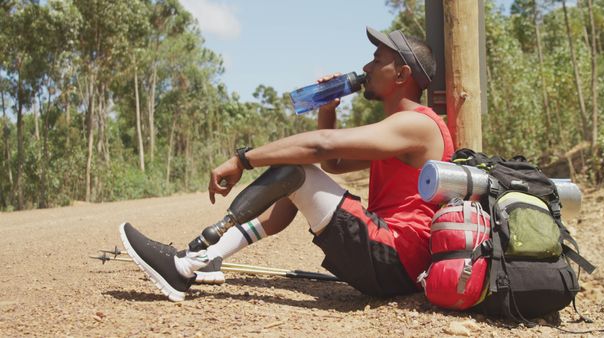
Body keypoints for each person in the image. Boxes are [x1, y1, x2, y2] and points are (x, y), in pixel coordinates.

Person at [120, 26, 454, 302]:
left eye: (376, 60)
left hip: (396, 257)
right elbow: (335, 163)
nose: (365, 68)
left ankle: (184, 264)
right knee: (295, 184)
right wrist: (328, 107)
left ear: (402, 74)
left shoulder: (417, 124)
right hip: (394, 262)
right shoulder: (401, 127)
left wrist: (242, 159)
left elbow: (320, 147)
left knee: (296, 171)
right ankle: (206, 258)